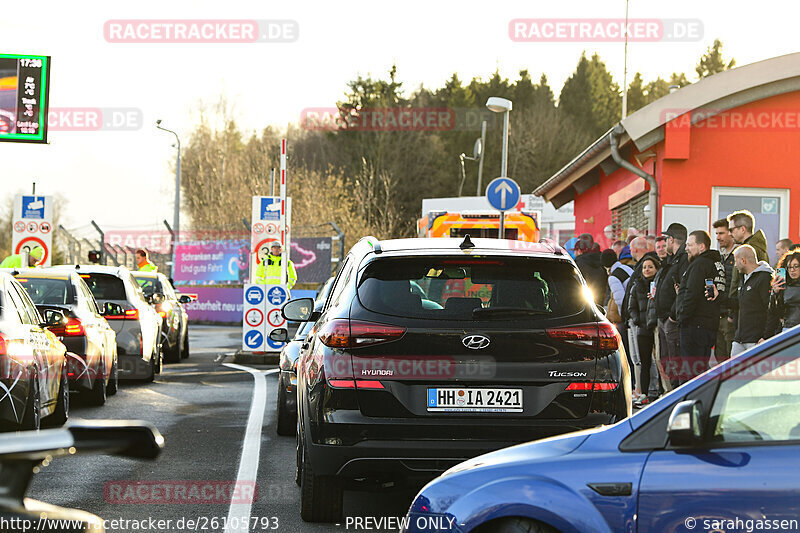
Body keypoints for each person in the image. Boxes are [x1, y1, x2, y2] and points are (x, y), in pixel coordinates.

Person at [675, 230, 725, 383]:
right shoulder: (716, 264)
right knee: (701, 369)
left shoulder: (700, 264)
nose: (686, 248)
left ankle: (694, 405)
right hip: (708, 324)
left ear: (702, 246)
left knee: (693, 373)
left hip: (694, 325)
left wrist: (682, 317)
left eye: (690, 245)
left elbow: (692, 293)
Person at [653, 223, 687, 386]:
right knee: (666, 360)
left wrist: (672, 316)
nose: (665, 244)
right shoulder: (672, 259)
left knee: (674, 362)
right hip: (665, 316)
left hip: (671, 319)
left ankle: (675, 396)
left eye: (666, 239)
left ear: (672, 239)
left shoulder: (682, 259)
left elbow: (682, 291)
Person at [628, 254, 661, 405]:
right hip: (642, 328)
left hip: (657, 327)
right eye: (644, 267)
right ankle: (645, 393)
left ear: (656, 269)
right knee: (644, 362)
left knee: (660, 360)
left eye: (650, 267)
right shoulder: (637, 285)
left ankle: (659, 391)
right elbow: (631, 307)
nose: (646, 270)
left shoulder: (659, 285)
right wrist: (637, 320)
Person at [730, 245, 773, 357]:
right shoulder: (743, 278)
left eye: (736, 261)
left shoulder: (764, 278)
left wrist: (766, 336)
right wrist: (717, 297)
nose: (735, 265)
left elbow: (770, 308)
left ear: (743, 260)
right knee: (733, 371)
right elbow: (739, 303)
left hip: (756, 340)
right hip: (739, 339)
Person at [727, 210, 769, 318]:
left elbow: (741, 282)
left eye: (731, 229)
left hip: (746, 313)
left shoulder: (752, 251)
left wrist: (733, 312)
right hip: (743, 309)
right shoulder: (754, 248)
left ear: (742, 229)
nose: (729, 234)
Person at [712, 218, 738, 361]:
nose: (718, 237)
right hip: (718, 314)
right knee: (720, 359)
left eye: (721, 233)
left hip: (730, 316)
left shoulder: (738, 255)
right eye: (716, 234)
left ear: (731, 233)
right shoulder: (719, 256)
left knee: (731, 359)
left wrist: (732, 314)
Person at [765, 250, 800, 336]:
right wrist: (775, 293)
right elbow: (774, 313)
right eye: (789, 267)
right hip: (787, 328)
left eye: (796, 266)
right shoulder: (782, 286)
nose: (792, 270)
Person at [573, 234, 607, 306]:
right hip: (600, 302)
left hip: (582, 303)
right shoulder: (601, 261)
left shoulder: (578, 264)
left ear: (579, 251)